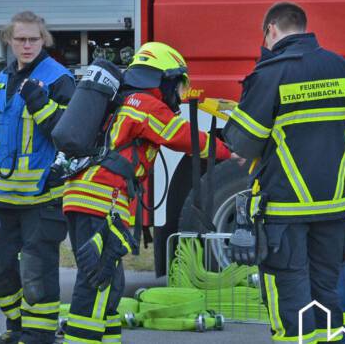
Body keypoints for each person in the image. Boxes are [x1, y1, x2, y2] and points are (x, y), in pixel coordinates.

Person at [62, 42, 234, 344]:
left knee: (111, 281)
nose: (177, 94)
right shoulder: (145, 103)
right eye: (177, 83)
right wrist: (226, 152)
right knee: (97, 281)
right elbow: (180, 136)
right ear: (163, 77)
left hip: (81, 195)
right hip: (103, 199)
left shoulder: (122, 101)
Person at [224, 2, 345, 343]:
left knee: (290, 291)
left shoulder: (270, 74)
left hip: (286, 208)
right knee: (327, 291)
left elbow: (243, 142)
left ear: (271, 29)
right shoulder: (343, 69)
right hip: (334, 205)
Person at [0, 11, 75, 344]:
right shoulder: (3, 77)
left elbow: (72, 134)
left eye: (34, 38)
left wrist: (42, 105)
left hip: (42, 199)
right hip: (1, 198)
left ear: (44, 40)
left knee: (37, 274)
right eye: (20, 39)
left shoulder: (58, 78)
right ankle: (19, 324)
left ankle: (39, 335)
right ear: (9, 40)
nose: (27, 45)